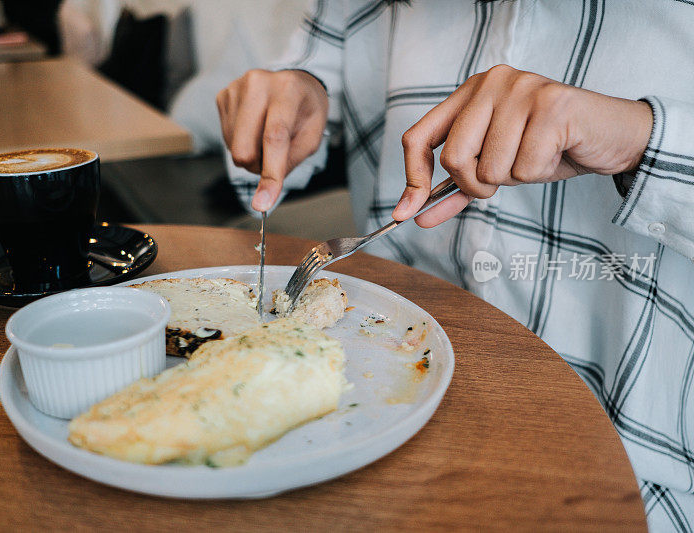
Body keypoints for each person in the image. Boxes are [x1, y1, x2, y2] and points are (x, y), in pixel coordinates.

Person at [216, 1, 694, 530]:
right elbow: (310, 69)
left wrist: (644, 140)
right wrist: (295, 90)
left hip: (629, 476)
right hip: (369, 398)